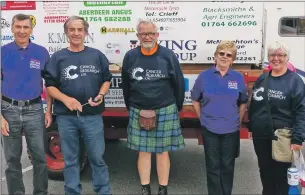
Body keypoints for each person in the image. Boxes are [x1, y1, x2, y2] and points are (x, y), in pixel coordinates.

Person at [43, 16, 112, 195]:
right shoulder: (58, 58)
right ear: (66, 32)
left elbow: (106, 80)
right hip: (66, 118)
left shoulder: (96, 55)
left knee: (97, 158)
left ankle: (103, 191)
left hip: (92, 116)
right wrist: (66, 99)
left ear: (85, 32)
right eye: (72, 30)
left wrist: (101, 94)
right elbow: (49, 86)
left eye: (79, 30)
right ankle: (72, 191)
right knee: (71, 159)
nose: (76, 33)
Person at [121, 20, 185, 195]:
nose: (147, 37)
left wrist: (175, 106)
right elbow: (126, 85)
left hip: (165, 107)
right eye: (143, 34)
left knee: (162, 152)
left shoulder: (168, 56)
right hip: (139, 108)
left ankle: (163, 188)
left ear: (157, 35)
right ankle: (145, 187)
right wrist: (132, 105)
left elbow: (178, 83)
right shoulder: (130, 56)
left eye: (150, 33)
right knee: (144, 151)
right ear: (138, 36)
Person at [1, 13, 53, 195]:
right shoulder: (3, 52)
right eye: (18, 27)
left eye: (25, 27)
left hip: (35, 109)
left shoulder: (41, 52)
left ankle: (41, 192)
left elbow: (50, 84)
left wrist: (48, 111)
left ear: (31, 29)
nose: (22, 31)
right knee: (12, 159)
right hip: (8, 110)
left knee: (39, 157)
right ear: (12, 28)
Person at [191, 40, 248, 195]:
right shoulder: (204, 76)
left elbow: (243, 103)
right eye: (221, 54)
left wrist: (238, 121)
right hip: (210, 128)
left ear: (233, 59)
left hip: (230, 129)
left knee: (228, 165)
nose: (224, 57)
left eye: (228, 55)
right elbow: (195, 100)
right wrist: (202, 119)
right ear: (215, 56)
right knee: (213, 166)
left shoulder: (237, 77)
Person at [248, 41, 305, 195]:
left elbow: (302, 111)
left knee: (281, 175)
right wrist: (252, 126)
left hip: (282, 136)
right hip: (261, 135)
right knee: (265, 172)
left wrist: (298, 138)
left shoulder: (295, 81)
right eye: (272, 55)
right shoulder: (263, 78)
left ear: (287, 58)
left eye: (281, 55)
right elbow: (255, 103)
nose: (276, 58)